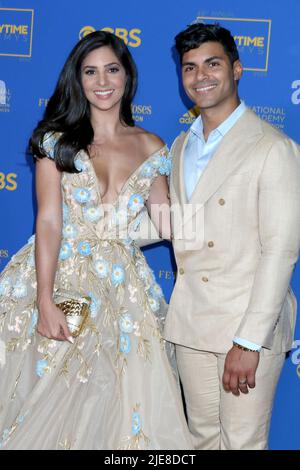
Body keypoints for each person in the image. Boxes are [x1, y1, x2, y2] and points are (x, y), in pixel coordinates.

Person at [0, 31, 192, 450]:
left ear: (127, 76)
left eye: (111, 69)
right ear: (78, 79)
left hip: (124, 295)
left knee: (116, 411)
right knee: (49, 397)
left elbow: (169, 223)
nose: (101, 81)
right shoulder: (55, 140)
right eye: (90, 71)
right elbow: (48, 221)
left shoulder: (151, 145)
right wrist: (44, 300)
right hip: (57, 278)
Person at [164, 23, 300, 450]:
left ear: (237, 69)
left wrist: (249, 340)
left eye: (212, 63)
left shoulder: (273, 147)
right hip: (191, 324)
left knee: (241, 442)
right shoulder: (180, 146)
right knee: (200, 440)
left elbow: (281, 250)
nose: (200, 76)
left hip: (243, 325)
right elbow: (178, 225)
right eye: (190, 67)